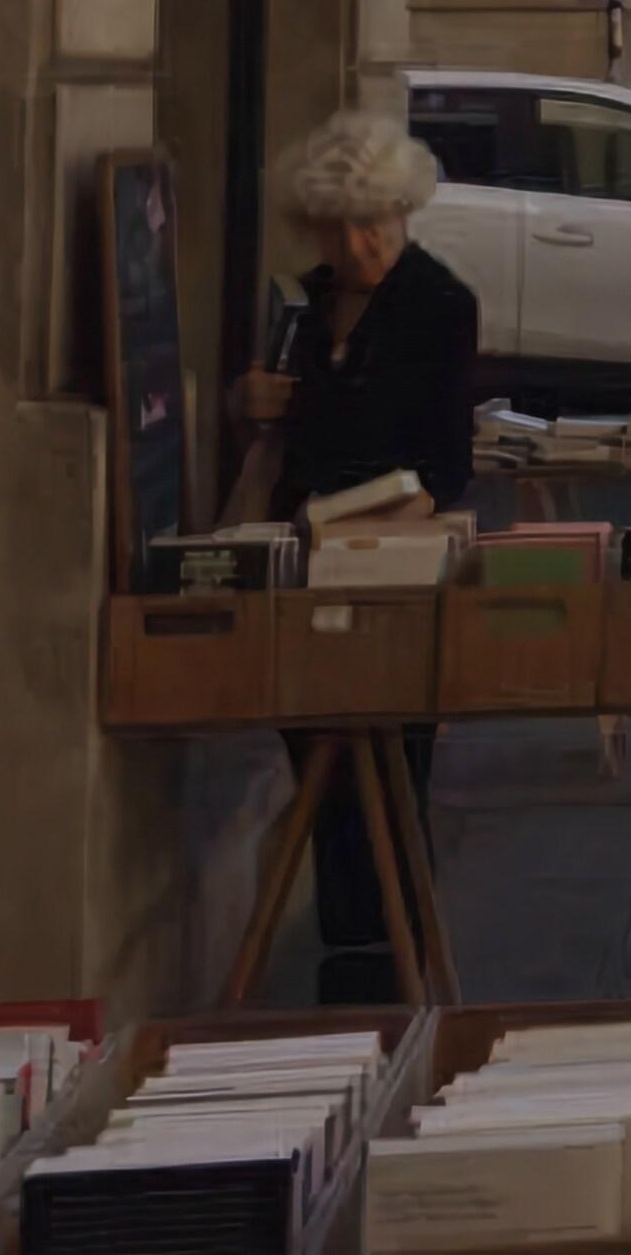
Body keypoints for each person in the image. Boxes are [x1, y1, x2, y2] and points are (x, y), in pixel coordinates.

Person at [227, 113, 479, 1005]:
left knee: (392, 764)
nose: (363, 243)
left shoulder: (442, 304)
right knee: (319, 759)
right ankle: (348, 951)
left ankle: (393, 953)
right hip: (305, 564)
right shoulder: (299, 306)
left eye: (378, 222)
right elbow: (277, 438)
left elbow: (448, 461)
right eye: (343, 228)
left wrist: (394, 520)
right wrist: (248, 400)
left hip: (393, 567)